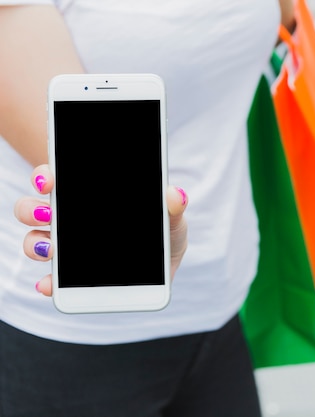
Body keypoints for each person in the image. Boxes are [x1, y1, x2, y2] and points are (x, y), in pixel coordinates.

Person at [1, 0, 296, 415]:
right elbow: (96, 177)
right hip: (70, 339)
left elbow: (284, 24)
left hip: (219, 305)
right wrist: (146, 238)